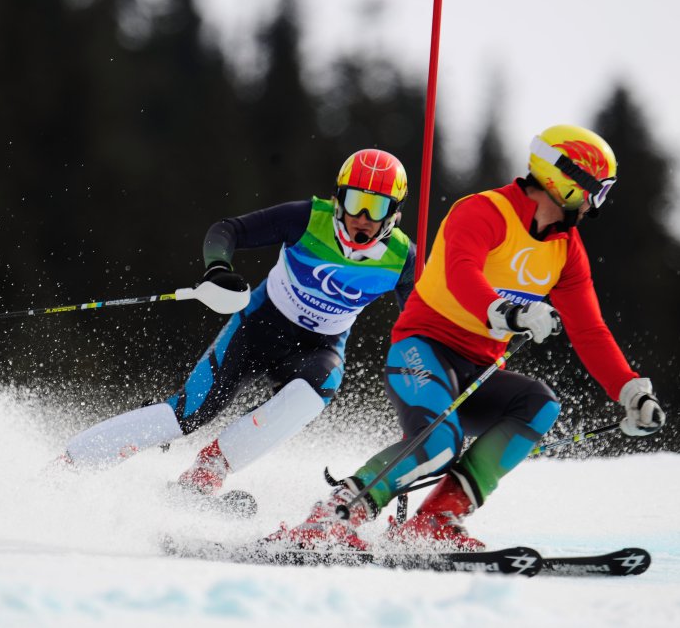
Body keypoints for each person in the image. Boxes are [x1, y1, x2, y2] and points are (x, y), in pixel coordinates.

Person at [267, 124, 667, 552]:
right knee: (440, 442)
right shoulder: (483, 211)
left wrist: (629, 390)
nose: (595, 204)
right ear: (566, 181)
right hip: (422, 350)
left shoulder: (566, 249)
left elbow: (589, 329)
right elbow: (462, 273)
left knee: (539, 405)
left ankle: (437, 519)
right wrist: (510, 313)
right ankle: (332, 518)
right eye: (597, 191)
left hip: (478, 368)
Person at [61, 149, 417, 498]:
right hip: (260, 327)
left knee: (315, 393)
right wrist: (218, 269)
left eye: (378, 206)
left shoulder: (402, 260)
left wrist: (422, 361)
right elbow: (227, 230)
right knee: (187, 414)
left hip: (319, 349)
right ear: (338, 199)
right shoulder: (308, 219)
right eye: (355, 201)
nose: (363, 216)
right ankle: (69, 465)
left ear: (395, 214)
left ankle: (207, 472)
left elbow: (420, 323)